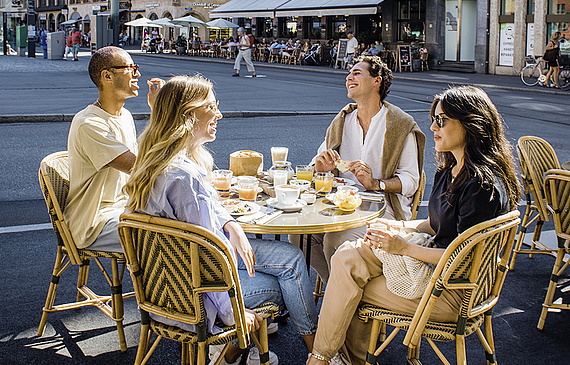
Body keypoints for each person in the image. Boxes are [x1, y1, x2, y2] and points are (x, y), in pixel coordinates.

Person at [306, 85, 521, 365]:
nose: (432, 125)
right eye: (434, 118)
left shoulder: (481, 186)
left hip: (451, 292)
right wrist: (398, 229)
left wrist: (403, 247)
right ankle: (335, 358)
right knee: (348, 255)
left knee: (347, 287)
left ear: (471, 124)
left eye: (442, 120)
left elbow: (463, 257)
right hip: (436, 273)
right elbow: (435, 225)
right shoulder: (452, 170)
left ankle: (323, 359)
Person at [123, 75, 318, 365]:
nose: (219, 114)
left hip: (163, 285)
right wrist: (232, 315)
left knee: (290, 259)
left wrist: (231, 224)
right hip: (194, 292)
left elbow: (207, 213)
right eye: (212, 107)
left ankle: (313, 351)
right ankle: (304, 353)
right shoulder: (185, 178)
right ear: (190, 115)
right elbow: (205, 259)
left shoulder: (161, 162)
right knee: (286, 287)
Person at [290, 55, 425, 282]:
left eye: (357, 73)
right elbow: (317, 163)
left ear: (377, 81)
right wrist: (320, 167)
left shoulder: (401, 125)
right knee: (300, 237)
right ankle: (340, 287)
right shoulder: (342, 121)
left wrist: (376, 183)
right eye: (349, 73)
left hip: (382, 208)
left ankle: (343, 296)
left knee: (334, 240)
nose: (349, 77)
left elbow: (411, 181)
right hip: (339, 204)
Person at [63, 46, 163, 253]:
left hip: (124, 207)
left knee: (183, 224)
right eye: (130, 68)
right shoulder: (89, 123)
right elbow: (138, 167)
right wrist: (162, 113)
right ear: (107, 76)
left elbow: (143, 160)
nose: (138, 74)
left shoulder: (124, 115)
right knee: (171, 237)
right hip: (95, 222)